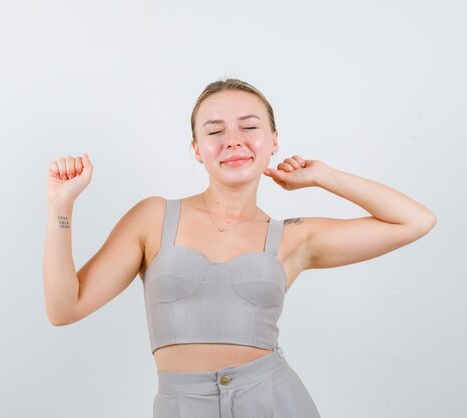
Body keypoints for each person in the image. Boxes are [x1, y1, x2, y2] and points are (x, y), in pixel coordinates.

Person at [43, 78, 436, 417]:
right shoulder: (154, 217)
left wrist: (325, 176)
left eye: (249, 127)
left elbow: (415, 221)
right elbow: (64, 308)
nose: (233, 141)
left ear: (274, 141)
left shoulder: (293, 236)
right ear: (196, 148)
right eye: (214, 132)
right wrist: (62, 208)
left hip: (274, 401)